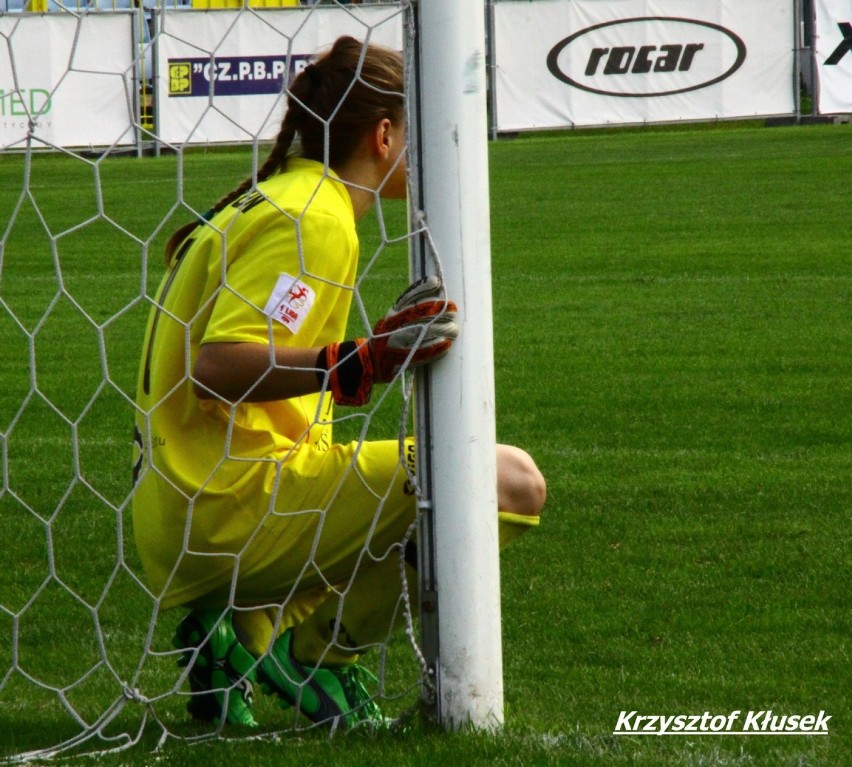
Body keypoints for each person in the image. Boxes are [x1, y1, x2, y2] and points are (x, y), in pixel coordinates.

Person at [132, 35, 546, 730]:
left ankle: (235, 638)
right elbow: (218, 366)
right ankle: (323, 654)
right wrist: (353, 360)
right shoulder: (316, 217)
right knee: (510, 482)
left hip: (187, 501)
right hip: (228, 505)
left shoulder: (287, 194)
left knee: (386, 493)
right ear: (385, 136)